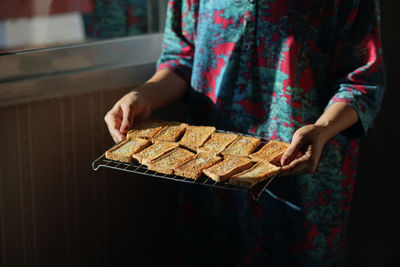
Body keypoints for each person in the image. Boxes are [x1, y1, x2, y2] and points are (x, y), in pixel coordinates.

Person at [105, 0, 385, 265]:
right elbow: (182, 57)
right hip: (209, 177)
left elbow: (361, 81)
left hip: (301, 176)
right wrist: (143, 96)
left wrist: (323, 129)